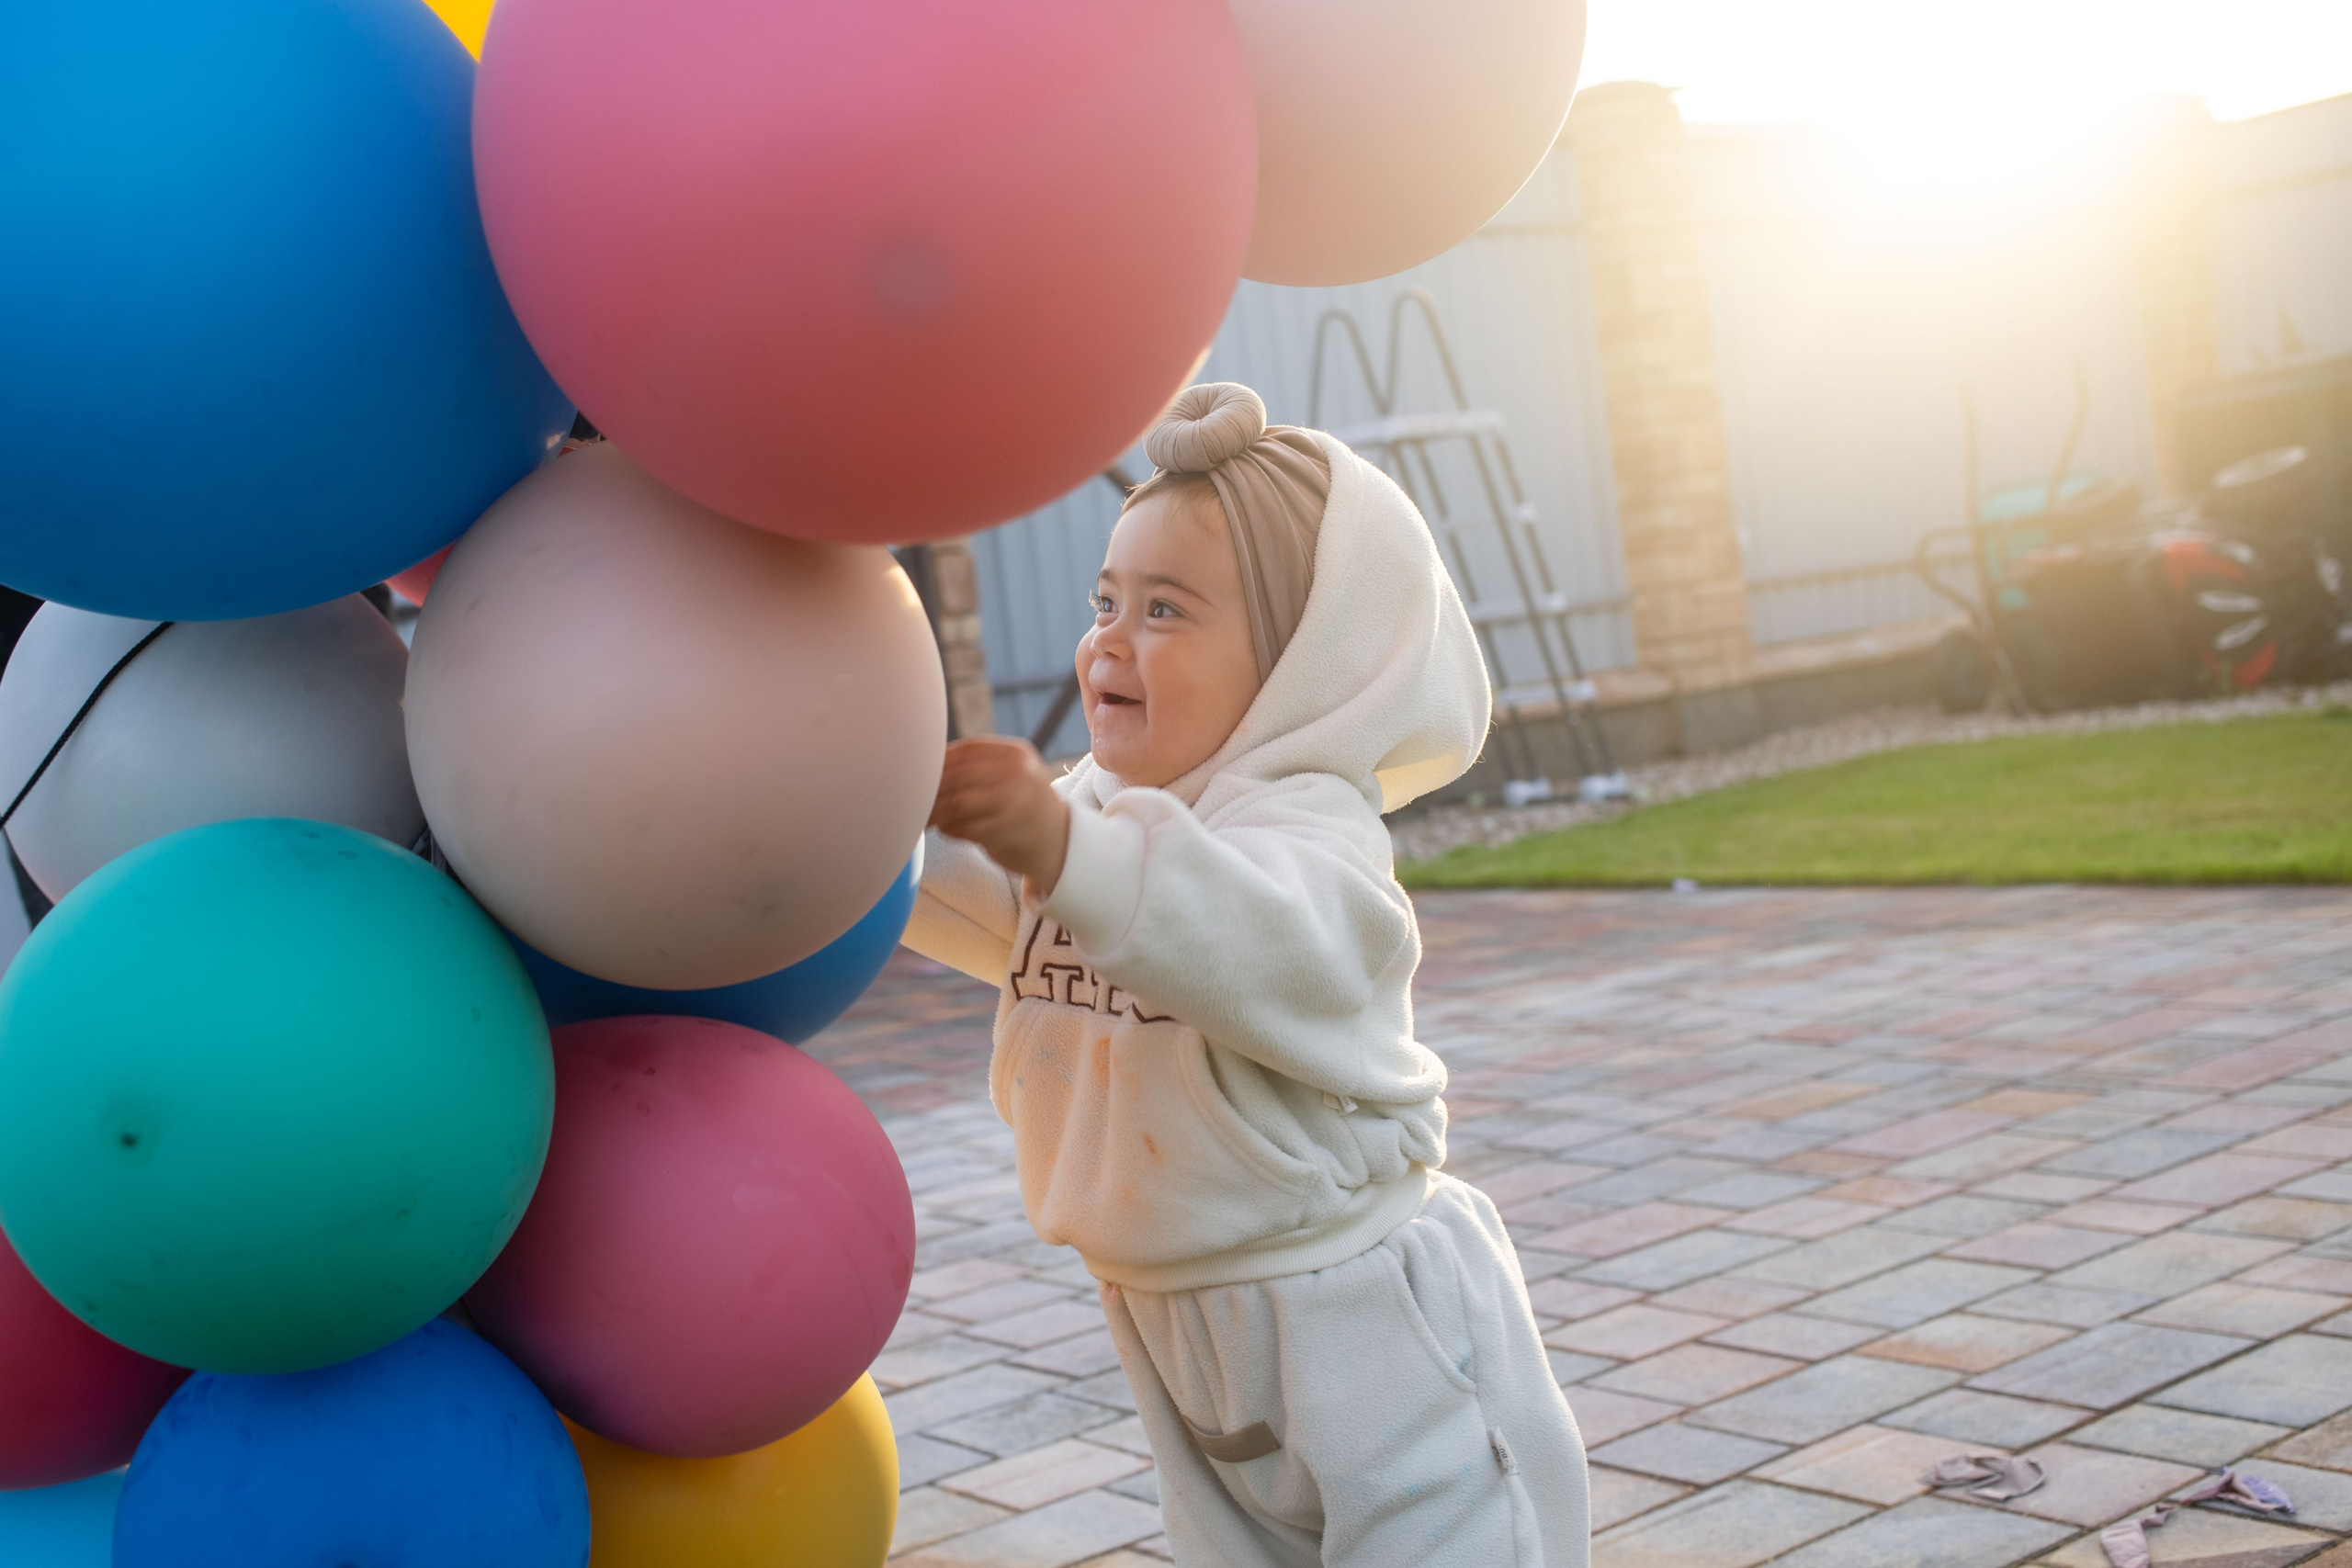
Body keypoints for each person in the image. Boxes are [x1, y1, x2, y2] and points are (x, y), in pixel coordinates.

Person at [910, 383, 1589, 1566]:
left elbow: (1243, 931)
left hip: (1362, 1323)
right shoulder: (1096, 820)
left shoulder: (1312, 834)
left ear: (1294, 662)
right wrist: (866, 812)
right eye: (1106, 601)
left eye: (1166, 609)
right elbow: (983, 904)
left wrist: (1058, 845)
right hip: (1175, 1311)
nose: (1110, 639)